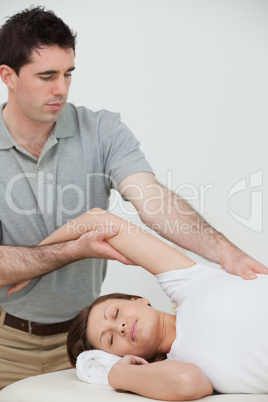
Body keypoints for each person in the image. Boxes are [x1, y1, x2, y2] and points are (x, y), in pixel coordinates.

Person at [0, 6, 267, 389]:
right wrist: (65, 252)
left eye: (68, 74)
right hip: (8, 341)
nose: (61, 89)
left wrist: (224, 252)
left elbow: (153, 200)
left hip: (86, 342)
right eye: (46, 76)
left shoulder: (101, 130)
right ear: (7, 76)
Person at [36, 207, 268, 400]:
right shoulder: (181, 365)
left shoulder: (187, 283)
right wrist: (118, 375)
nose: (120, 327)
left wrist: (34, 262)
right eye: (111, 339)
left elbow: (98, 219)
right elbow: (186, 383)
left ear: (138, 300)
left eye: (115, 313)